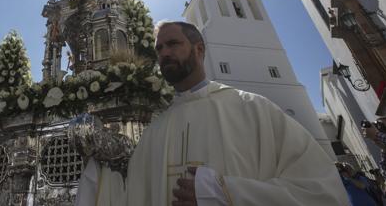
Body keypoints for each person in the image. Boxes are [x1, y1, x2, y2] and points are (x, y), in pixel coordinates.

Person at [76, 21, 348, 205]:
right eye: (159, 49)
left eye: (173, 44)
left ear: (199, 49)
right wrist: (99, 171)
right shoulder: (154, 132)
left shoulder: (253, 109)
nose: (164, 54)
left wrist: (225, 192)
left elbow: (322, 191)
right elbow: (131, 197)